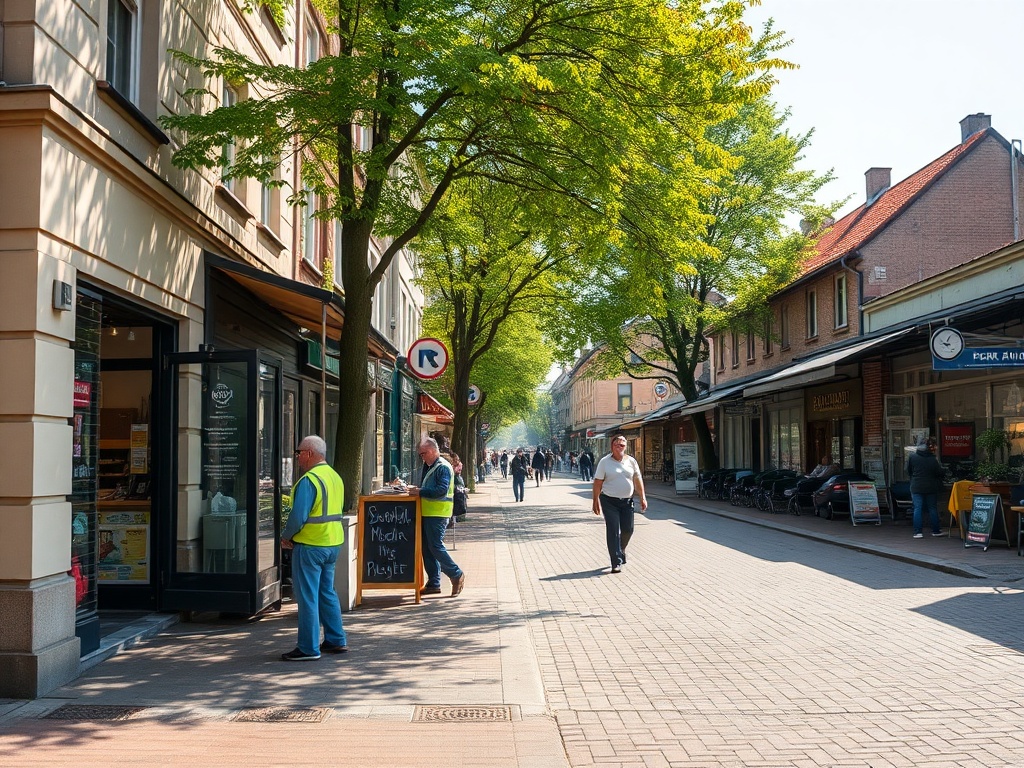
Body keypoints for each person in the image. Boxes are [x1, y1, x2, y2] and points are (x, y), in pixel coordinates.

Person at [280, 435, 347, 661]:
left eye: (299, 453)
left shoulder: (310, 480)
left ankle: (308, 648)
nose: (297, 457)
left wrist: (286, 536)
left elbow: (298, 517)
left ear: (309, 453)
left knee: (307, 596)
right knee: (326, 592)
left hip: (310, 545)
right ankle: (336, 640)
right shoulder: (335, 477)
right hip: (332, 543)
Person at [408, 438, 466, 596]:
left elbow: (441, 490)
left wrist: (420, 491)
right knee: (427, 548)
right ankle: (434, 582)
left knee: (435, 546)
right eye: (420, 454)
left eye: (423, 454)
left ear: (432, 450)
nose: (422, 457)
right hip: (429, 512)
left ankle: (456, 574)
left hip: (438, 513)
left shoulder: (442, 467)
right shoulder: (432, 466)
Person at [592, 434, 647, 573]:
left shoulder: (631, 462)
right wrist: (595, 501)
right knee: (613, 530)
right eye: (617, 444)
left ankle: (621, 549)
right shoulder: (605, 462)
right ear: (612, 446)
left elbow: (637, 480)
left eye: (622, 444)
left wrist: (642, 497)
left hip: (627, 501)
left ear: (625, 446)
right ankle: (616, 561)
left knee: (628, 529)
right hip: (609, 501)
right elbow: (598, 483)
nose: (619, 447)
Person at [906, 436, 944, 538]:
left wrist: (914, 478)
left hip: (916, 486)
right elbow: (939, 472)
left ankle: (918, 532)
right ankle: (936, 531)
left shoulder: (912, 457)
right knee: (932, 508)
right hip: (931, 486)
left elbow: (908, 471)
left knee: (917, 508)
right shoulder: (932, 459)